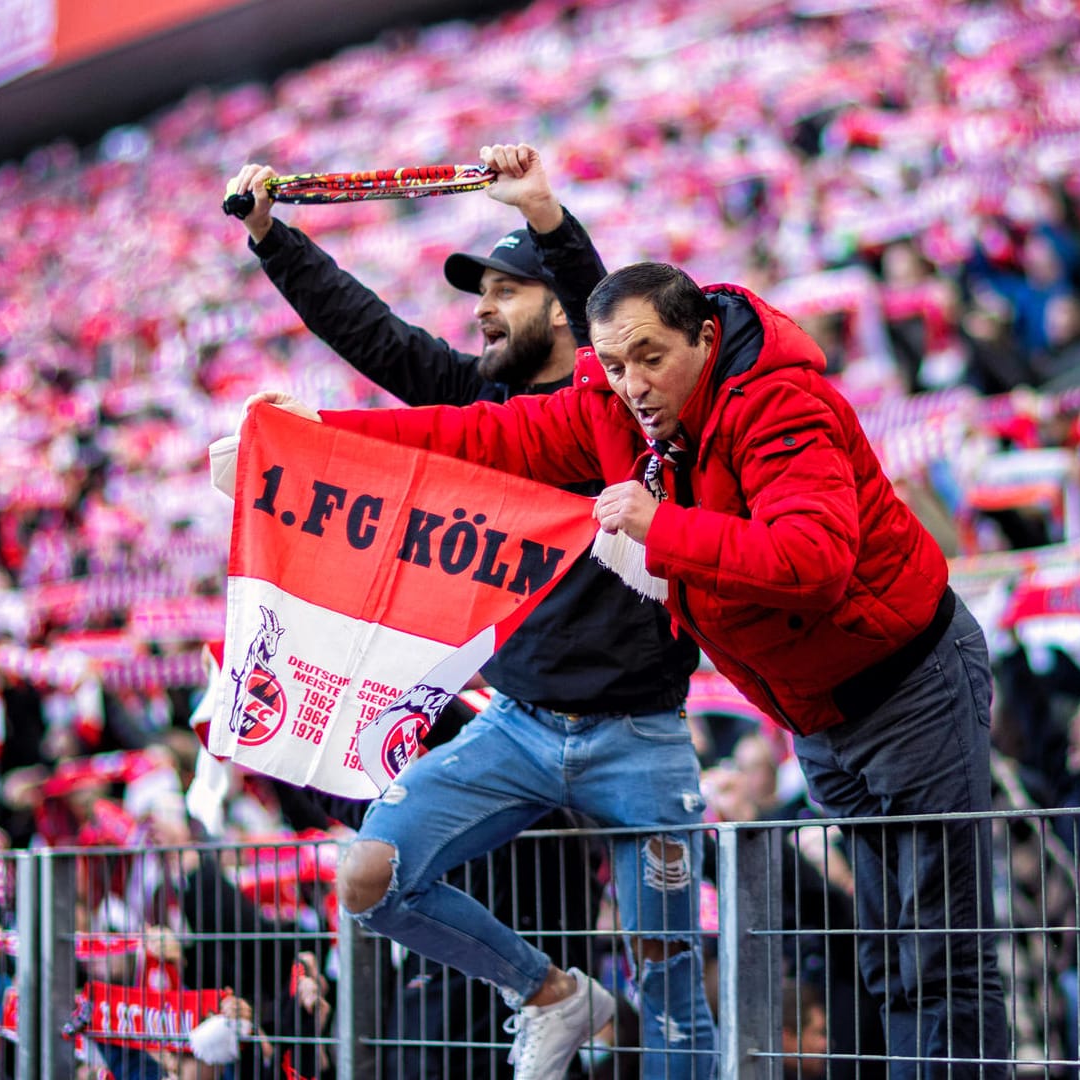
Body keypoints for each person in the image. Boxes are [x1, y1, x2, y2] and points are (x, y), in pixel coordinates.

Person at [252, 261, 1010, 1080]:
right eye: (615, 365)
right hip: (821, 716)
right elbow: (481, 436)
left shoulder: (779, 404)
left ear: (705, 338)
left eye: (651, 357)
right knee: (890, 955)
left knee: (941, 952)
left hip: (910, 685)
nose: (633, 384)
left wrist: (663, 527)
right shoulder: (610, 412)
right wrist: (322, 435)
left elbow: (815, 559)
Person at [225, 148, 713, 1079]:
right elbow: (379, 340)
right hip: (519, 729)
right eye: (479, 294)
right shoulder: (481, 408)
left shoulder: (625, 408)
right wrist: (271, 240)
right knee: (367, 875)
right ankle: (553, 996)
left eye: (504, 292)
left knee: (673, 987)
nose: (482, 311)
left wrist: (547, 219)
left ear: (569, 318)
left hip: (641, 738)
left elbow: (602, 291)